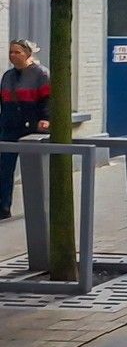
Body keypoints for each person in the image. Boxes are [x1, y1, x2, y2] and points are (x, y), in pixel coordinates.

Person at [0, 40, 50, 220]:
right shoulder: (7, 76)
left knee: (34, 169)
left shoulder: (41, 74)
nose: (13, 55)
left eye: (17, 52)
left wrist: (45, 119)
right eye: (11, 52)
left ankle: (39, 208)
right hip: (9, 125)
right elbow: (3, 103)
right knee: (4, 169)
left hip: (32, 126)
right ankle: (3, 209)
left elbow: (47, 99)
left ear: (28, 54)